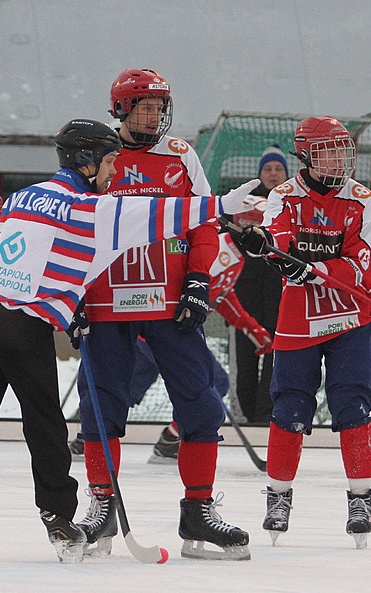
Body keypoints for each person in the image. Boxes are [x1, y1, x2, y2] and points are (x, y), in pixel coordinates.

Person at [0, 118, 260, 564]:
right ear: (88, 161)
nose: (117, 173)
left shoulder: (23, 196)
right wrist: (219, 207)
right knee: (45, 425)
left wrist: (71, 299)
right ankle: (61, 521)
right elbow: (155, 216)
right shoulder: (88, 209)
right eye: (111, 162)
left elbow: (20, 249)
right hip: (25, 323)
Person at [75, 69, 251, 562]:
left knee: (200, 401)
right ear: (121, 109)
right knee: (101, 407)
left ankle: (198, 510)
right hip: (108, 302)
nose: (155, 116)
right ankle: (101, 507)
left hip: (168, 303)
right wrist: (72, 295)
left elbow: (204, 219)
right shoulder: (99, 152)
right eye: (145, 107)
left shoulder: (180, 156)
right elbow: (74, 226)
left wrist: (198, 279)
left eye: (159, 107)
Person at [238, 116, 371, 550]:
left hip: (349, 318)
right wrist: (268, 244)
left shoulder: (362, 200)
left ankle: (361, 499)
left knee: (352, 404)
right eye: (329, 151)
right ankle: (278, 497)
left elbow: (363, 266)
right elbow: (279, 237)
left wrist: (315, 269)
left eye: (343, 151)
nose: (339, 160)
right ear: (306, 155)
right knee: (290, 406)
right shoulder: (283, 196)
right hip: (299, 319)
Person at [68, 228, 273, 463]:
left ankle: (99, 437)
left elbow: (221, 294)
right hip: (164, 324)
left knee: (138, 384)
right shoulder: (223, 248)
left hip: (166, 325)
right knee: (209, 382)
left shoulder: (235, 256)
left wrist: (251, 329)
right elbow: (193, 284)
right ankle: (105, 438)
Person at [227, 145, 287, 423]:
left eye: (278, 169)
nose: (273, 174)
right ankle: (245, 414)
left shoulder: (291, 203)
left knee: (277, 357)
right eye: (268, 169)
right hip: (246, 293)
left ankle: (267, 414)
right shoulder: (244, 203)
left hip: (280, 294)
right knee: (246, 357)